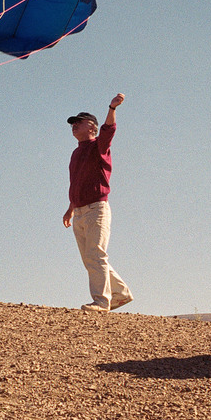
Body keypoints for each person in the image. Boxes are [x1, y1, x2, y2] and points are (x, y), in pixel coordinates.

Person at [63, 94, 133, 312]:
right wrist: (71, 208)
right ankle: (120, 293)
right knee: (90, 259)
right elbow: (77, 182)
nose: (73, 126)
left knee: (96, 255)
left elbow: (108, 131)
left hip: (97, 209)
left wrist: (112, 107)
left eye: (78, 122)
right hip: (80, 211)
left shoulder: (98, 146)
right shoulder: (76, 153)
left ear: (91, 127)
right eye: (73, 123)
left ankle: (102, 301)